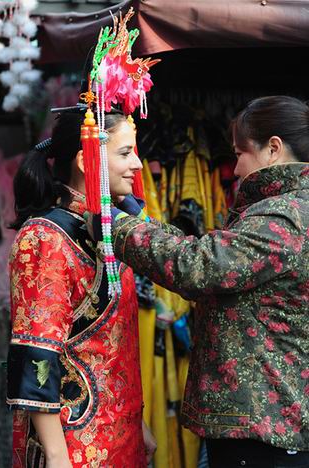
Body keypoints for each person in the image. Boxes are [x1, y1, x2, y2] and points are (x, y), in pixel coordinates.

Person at [91, 95, 309, 468]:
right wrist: (138, 222)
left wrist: (117, 225)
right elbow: (209, 253)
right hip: (263, 418)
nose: (235, 167)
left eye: (240, 153)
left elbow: (198, 265)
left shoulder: (286, 216)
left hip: (264, 426)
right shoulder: (284, 209)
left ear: (273, 149)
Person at [6, 108, 157, 468]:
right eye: (125, 153)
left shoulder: (107, 231)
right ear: (85, 161)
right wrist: (58, 457)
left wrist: (139, 423)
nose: (137, 164)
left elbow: (110, 348)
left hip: (120, 433)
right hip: (73, 444)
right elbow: (36, 354)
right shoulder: (45, 236)